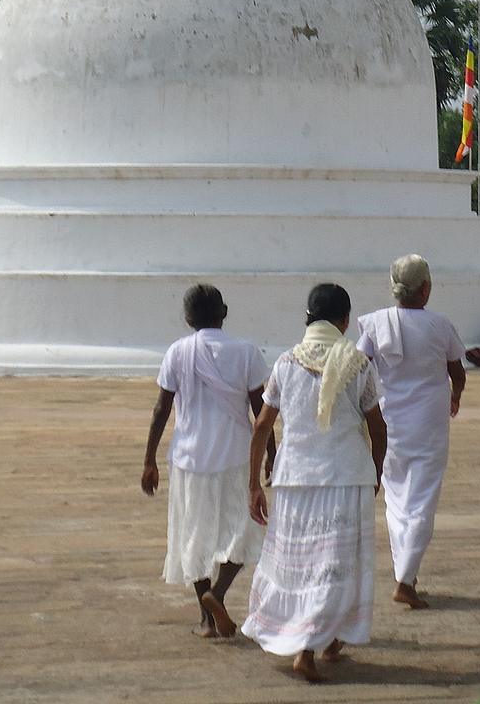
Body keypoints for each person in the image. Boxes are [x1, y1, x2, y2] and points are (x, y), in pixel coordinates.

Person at [241, 284, 388, 683]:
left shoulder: (287, 363)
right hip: (346, 477)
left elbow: (261, 426)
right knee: (335, 565)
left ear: (308, 319)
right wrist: (374, 470)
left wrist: (254, 483)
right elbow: (378, 426)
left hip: (295, 480)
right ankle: (306, 649)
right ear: (344, 321)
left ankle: (328, 639)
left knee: (303, 566)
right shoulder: (357, 363)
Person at [140, 284, 272, 638]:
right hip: (236, 454)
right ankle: (219, 594)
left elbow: (161, 409)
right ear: (224, 312)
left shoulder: (177, 352)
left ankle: (207, 617)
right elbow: (262, 412)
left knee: (192, 536)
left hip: (189, 457)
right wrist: (272, 452)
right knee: (245, 530)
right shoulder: (247, 353)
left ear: (187, 318)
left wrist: (149, 459)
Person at [356, 254, 466, 610]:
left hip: (389, 423)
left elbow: (358, 368)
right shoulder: (439, 325)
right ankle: (405, 579)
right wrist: (456, 395)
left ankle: (407, 572)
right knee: (422, 501)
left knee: (397, 500)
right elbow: (457, 372)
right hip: (429, 424)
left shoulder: (375, 324)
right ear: (426, 289)